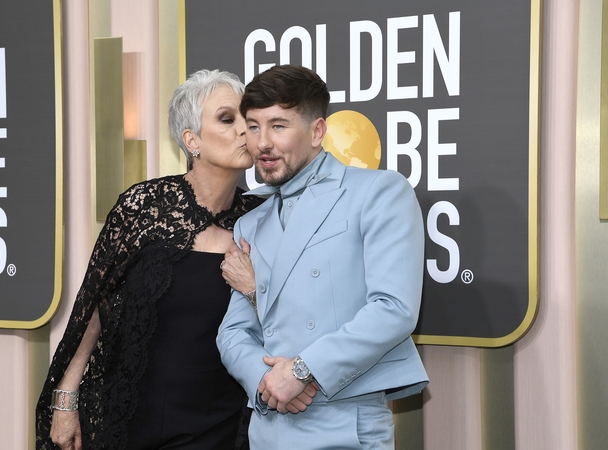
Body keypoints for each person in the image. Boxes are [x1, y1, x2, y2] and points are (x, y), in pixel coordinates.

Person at [35, 69, 265, 450]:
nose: (246, 130)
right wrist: (67, 397)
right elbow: (96, 306)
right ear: (192, 140)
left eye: (249, 119)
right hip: (132, 416)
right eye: (228, 119)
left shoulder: (261, 219)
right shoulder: (144, 205)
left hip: (220, 424)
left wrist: (255, 289)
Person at [217, 65, 429, 450]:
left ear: (317, 132)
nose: (262, 142)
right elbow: (233, 332)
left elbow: (394, 308)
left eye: (278, 126)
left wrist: (303, 371)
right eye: (252, 126)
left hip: (344, 424)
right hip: (267, 427)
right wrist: (267, 384)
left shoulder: (379, 192)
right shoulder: (250, 223)